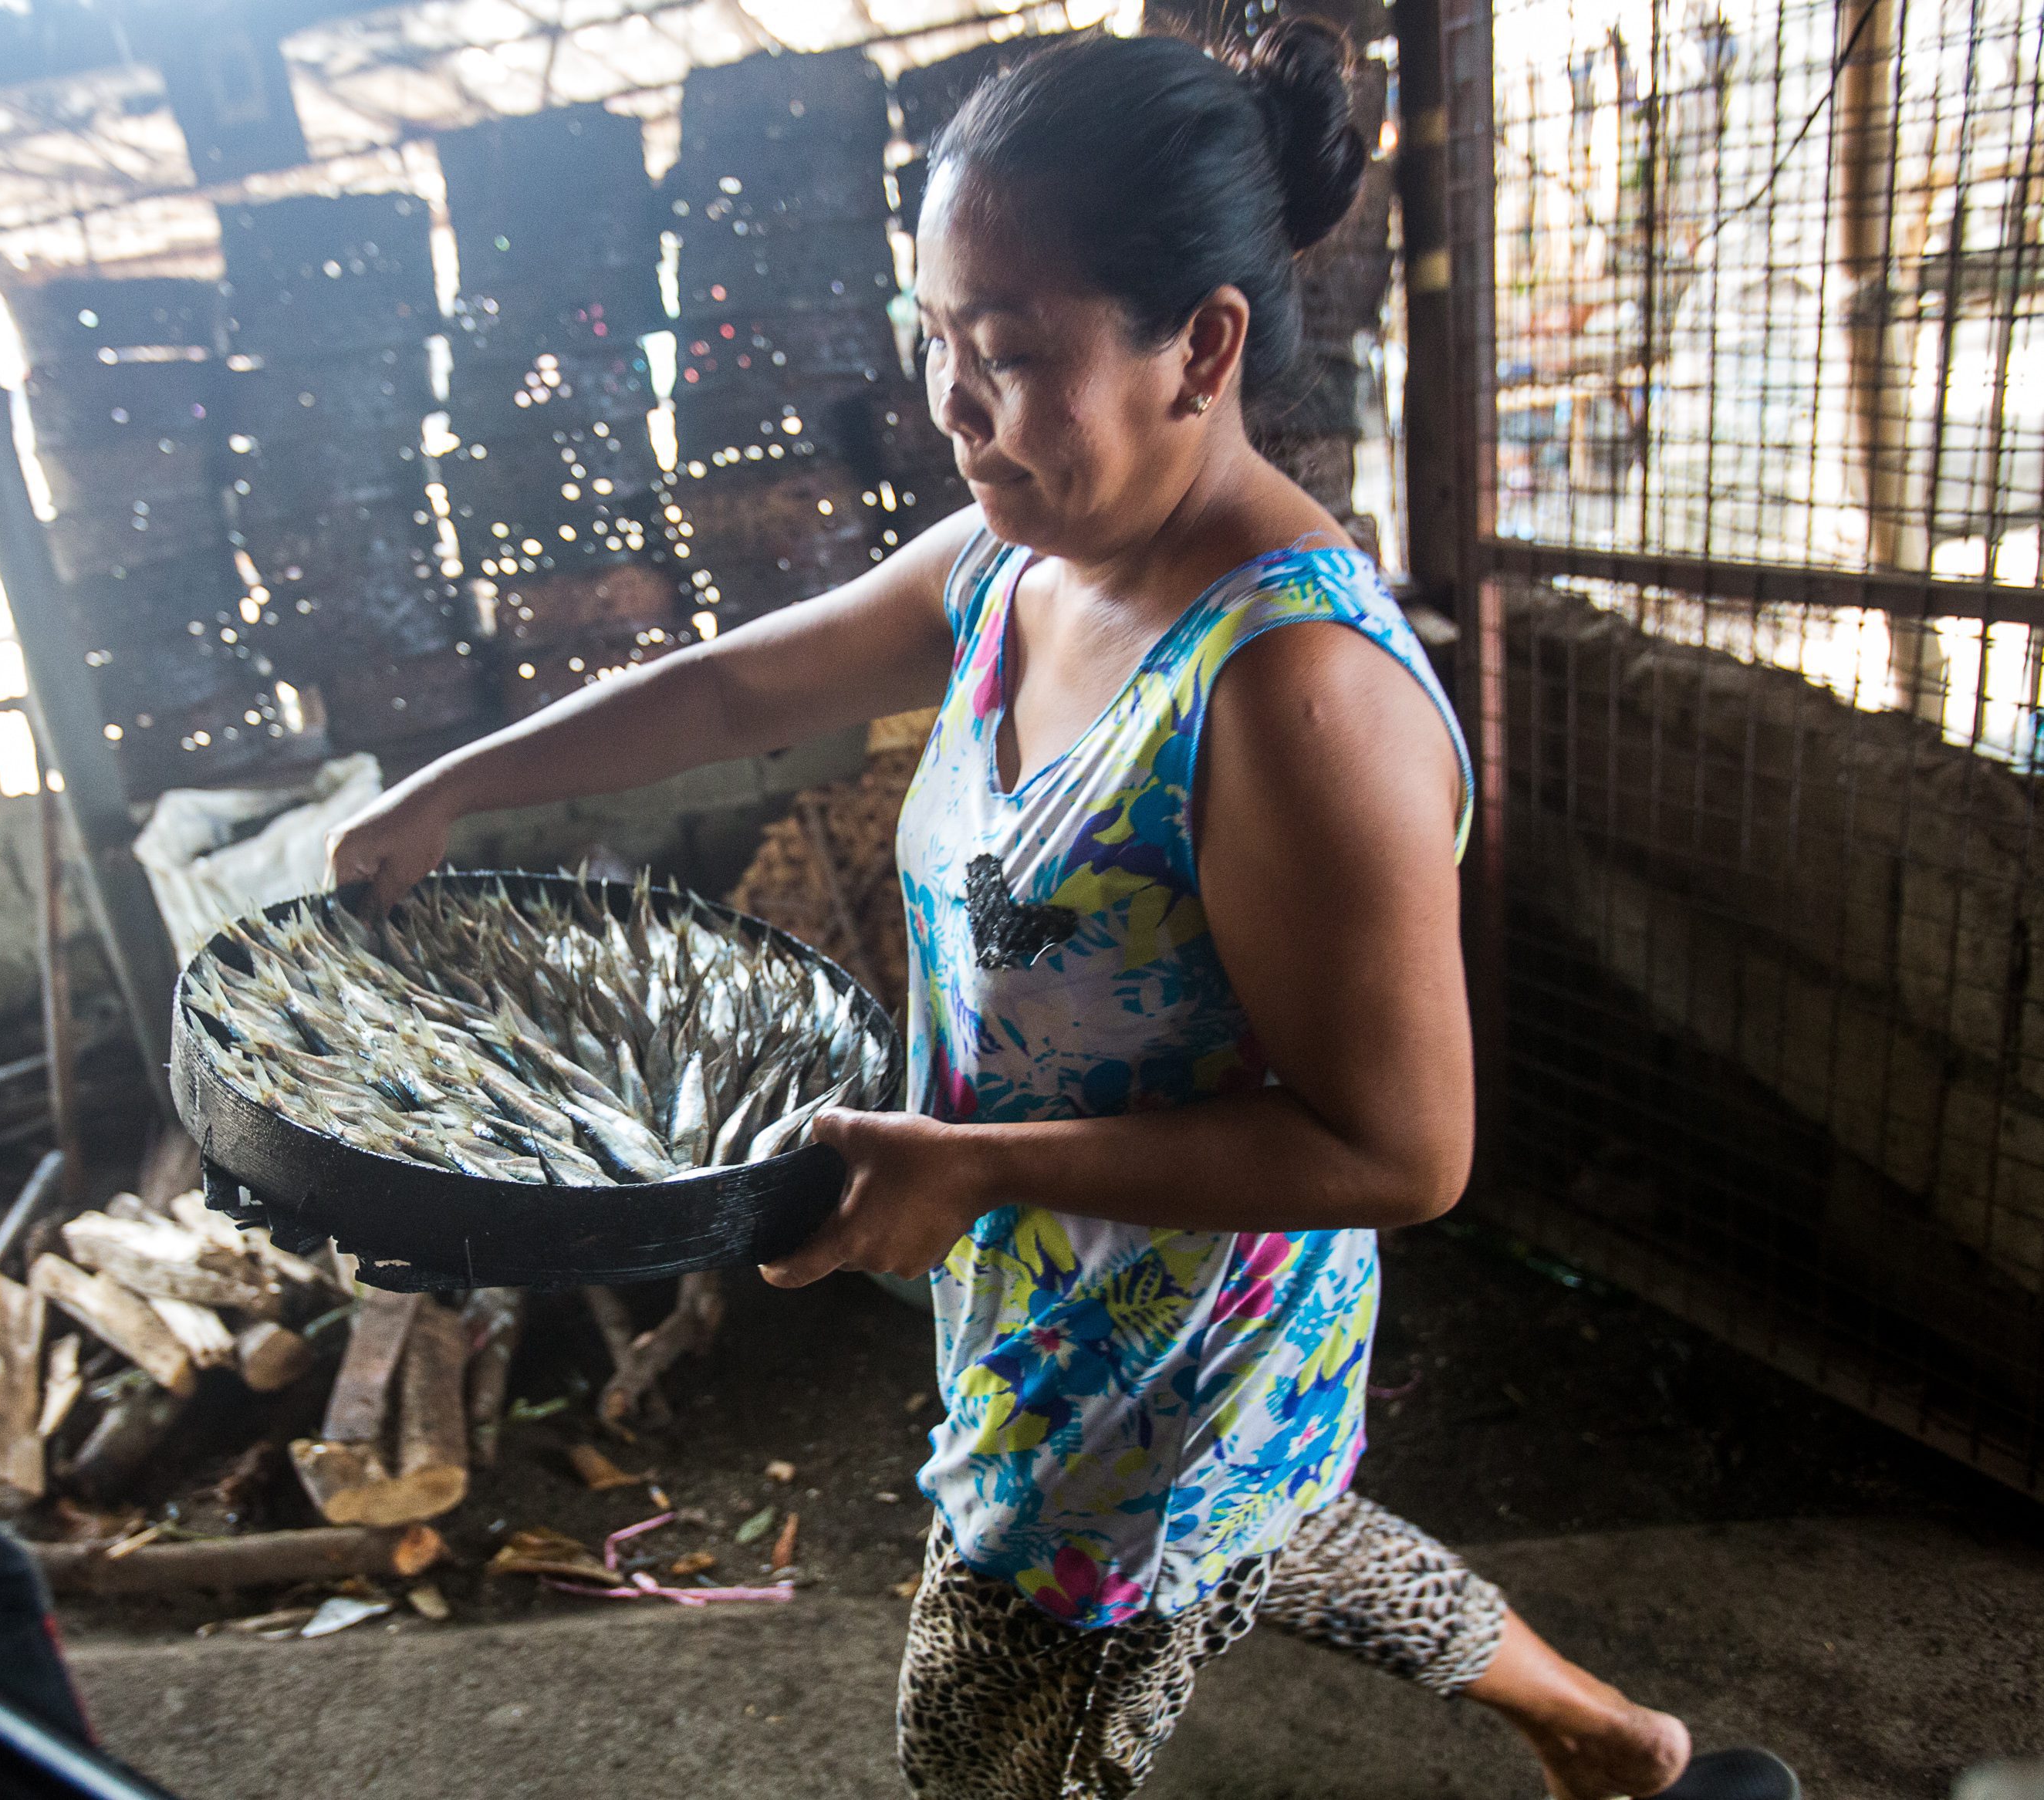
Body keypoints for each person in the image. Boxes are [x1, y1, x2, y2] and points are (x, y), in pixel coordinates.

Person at [331, 25, 1794, 1798]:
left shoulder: (1286, 695)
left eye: (1009, 354)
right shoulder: (1012, 564)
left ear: (1203, 347)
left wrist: (979, 1168)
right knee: (1277, 1530)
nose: (948, 403)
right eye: (932, 339)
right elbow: (730, 688)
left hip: (1157, 1364)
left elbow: (1403, 1155)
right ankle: (1614, 1739)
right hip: (1052, 1294)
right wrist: (456, 782)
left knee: (989, 1747)